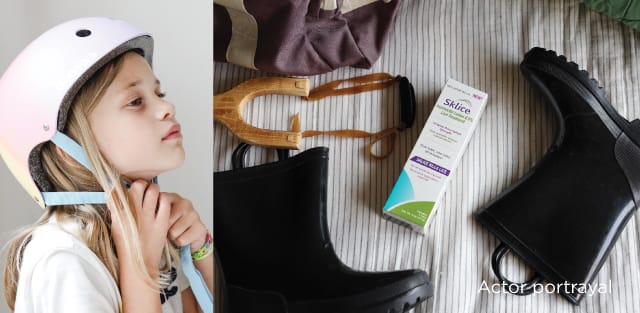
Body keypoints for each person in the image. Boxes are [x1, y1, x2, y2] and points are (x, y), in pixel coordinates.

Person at [0, 17, 213, 313]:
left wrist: (200, 248)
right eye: (136, 101)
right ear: (69, 151)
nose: (167, 107)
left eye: (159, 94)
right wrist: (142, 269)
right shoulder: (62, 258)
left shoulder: (146, 226)